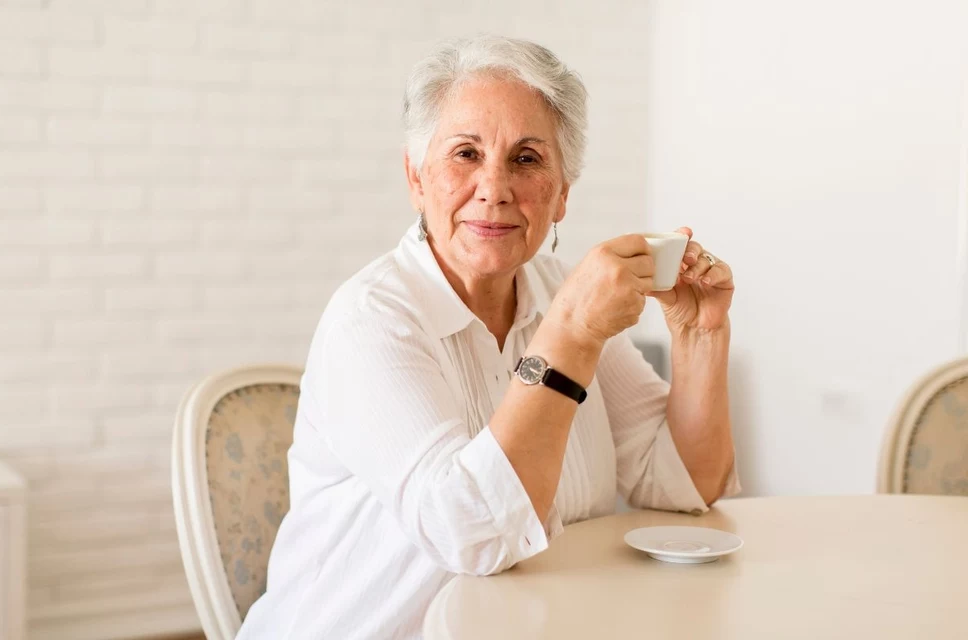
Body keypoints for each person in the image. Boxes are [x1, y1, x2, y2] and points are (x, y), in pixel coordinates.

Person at [238, 34, 739, 639]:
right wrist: (573, 334)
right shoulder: (369, 321)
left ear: (561, 195)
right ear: (416, 178)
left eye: (527, 159)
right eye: (466, 154)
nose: (494, 187)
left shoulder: (559, 290)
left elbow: (684, 484)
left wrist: (699, 335)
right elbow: (469, 534)